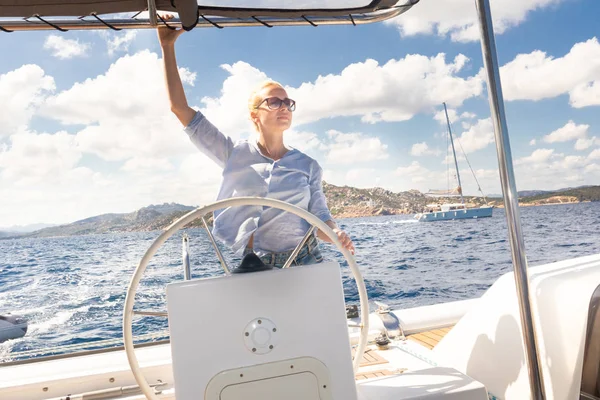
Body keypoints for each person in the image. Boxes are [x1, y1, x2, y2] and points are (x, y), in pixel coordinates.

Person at [157, 19, 355, 268]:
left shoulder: (309, 166)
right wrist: (167, 46)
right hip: (257, 263)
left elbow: (320, 219)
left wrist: (336, 234)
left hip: (306, 259)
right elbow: (180, 109)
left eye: (287, 102)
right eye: (274, 102)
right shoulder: (233, 153)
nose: (283, 107)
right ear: (254, 115)